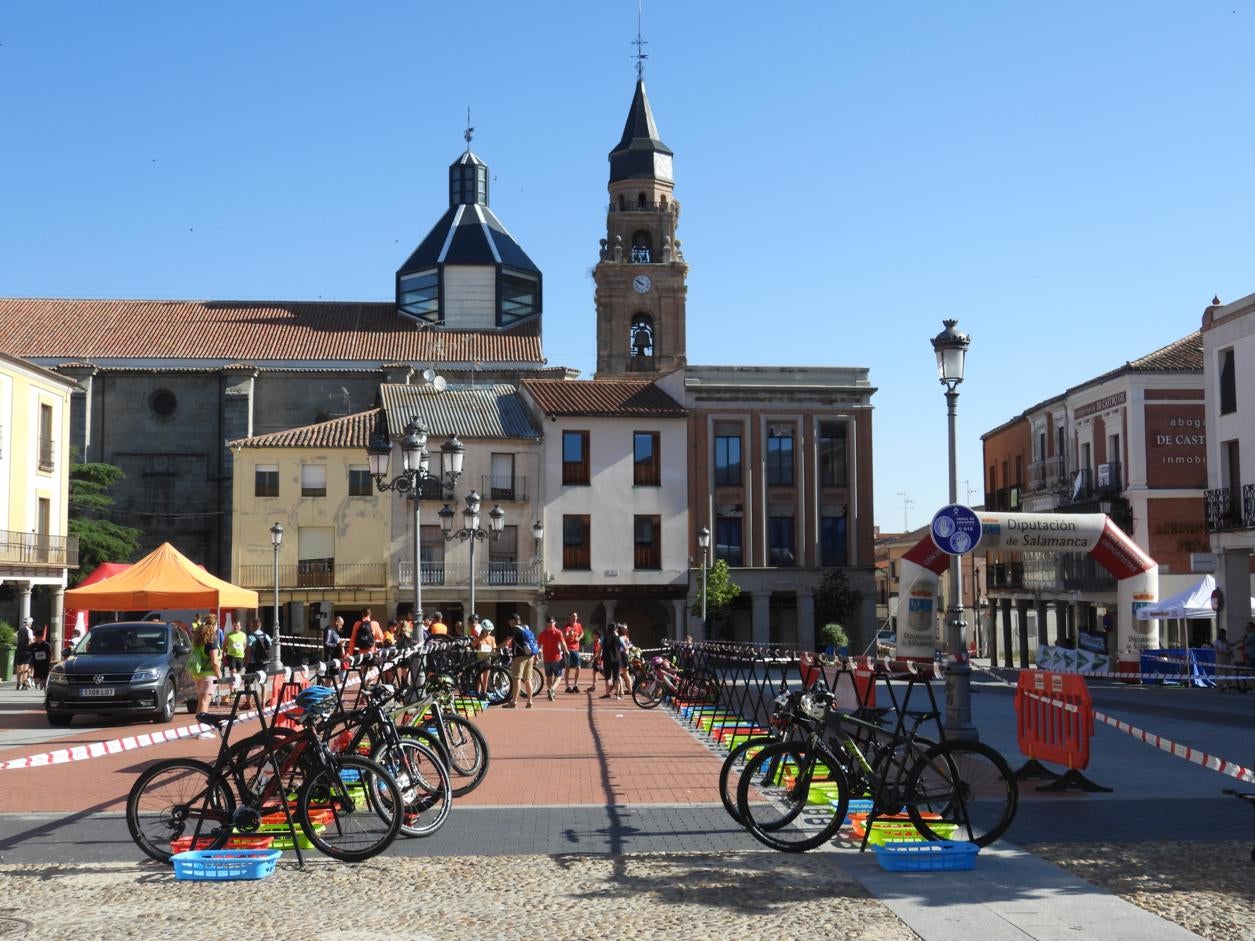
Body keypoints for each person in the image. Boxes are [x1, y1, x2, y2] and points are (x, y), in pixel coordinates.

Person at [190, 618, 221, 734]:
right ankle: (203, 730)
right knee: (205, 701)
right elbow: (214, 662)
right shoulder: (212, 641)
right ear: (214, 626)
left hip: (198, 673)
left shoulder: (199, 639)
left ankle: (199, 728)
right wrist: (219, 675)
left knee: (200, 701)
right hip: (209, 675)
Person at [501, 613, 537, 709]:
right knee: (527, 679)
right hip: (530, 656)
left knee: (516, 679)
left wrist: (498, 647)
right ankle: (530, 701)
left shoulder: (515, 629)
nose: (509, 623)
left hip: (520, 657)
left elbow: (507, 641)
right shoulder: (526, 628)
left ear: (513, 621)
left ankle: (514, 702)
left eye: (509, 621)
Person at [539, 617, 565, 701]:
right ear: (554, 623)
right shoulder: (558, 632)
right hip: (556, 658)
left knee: (548, 676)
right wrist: (567, 651)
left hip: (546, 658)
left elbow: (538, 644)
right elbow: (563, 643)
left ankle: (551, 693)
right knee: (558, 676)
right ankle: (552, 689)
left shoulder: (543, 633)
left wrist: (536, 655)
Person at [562, 612, 584, 694]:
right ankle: (567, 686)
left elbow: (582, 633)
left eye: (575, 616)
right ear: (570, 617)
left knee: (578, 667)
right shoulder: (567, 626)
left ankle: (575, 685)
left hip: (576, 650)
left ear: (577, 617)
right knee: (567, 668)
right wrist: (569, 636)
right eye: (572, 616)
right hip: (568, 650)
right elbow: (565, 636)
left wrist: (579, 638)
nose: (574, 617)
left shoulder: (579, 625)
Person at [599, 622, 621, 699]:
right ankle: (617, 695)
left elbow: (600, 647)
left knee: (607, 677)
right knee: (616, 677)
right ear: (615, 629)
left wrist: (599, 656)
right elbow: (623, 647)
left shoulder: (604, 637)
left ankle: (607, 694)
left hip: (607, 658)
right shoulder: (618, 637)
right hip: (617, 659)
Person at [14, 617, 35, 690]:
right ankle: (24, 683)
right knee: (25, 668)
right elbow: (31, 641)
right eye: (31, 623)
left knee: (18, 667)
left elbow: (15, 640)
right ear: (29, 623)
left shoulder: (18, 631)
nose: (31, 625)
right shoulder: (29, 631)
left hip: (19, 650)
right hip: (27, 651)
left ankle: (18, 683)